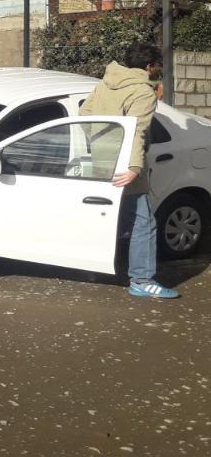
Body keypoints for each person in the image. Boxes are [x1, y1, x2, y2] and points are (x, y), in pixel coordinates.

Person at [81, 42, 178, 299]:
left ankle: (96, 269)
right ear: (149, 66)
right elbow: (137, 129)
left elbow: (84, 113)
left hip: (102, 161)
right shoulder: (143, 92)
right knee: (143, 223)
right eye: (156, 66)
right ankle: (142, 279)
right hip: (127, 166)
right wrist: (134, 167)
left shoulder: (104, 83)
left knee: (108, 218)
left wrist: (101, 145)